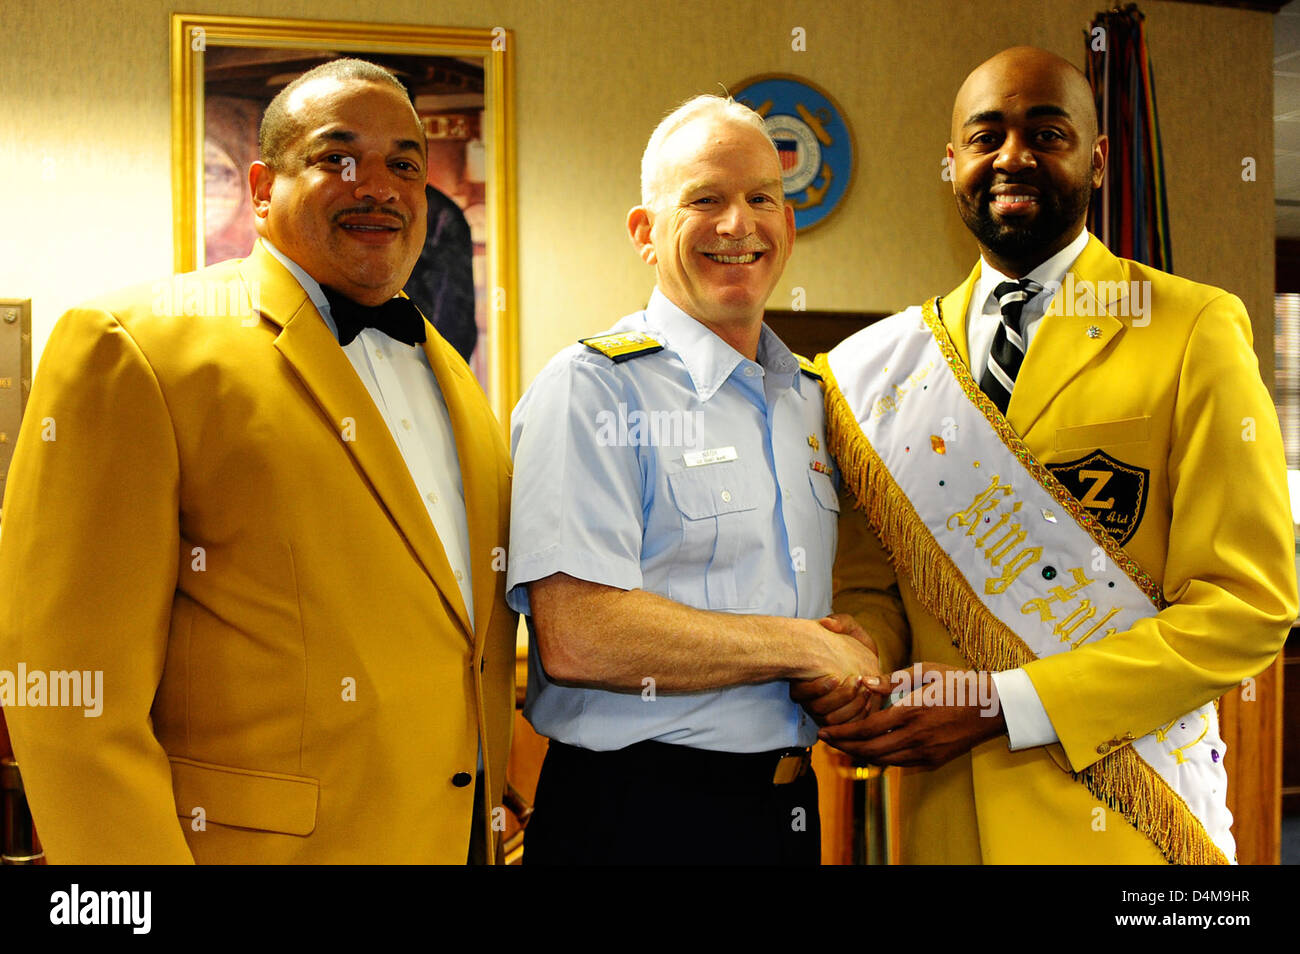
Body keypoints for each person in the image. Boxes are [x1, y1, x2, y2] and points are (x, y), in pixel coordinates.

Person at [0, 58, 517, 863]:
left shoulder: (454, 376)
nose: (376, 185)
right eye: (336, 156)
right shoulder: (133, 347)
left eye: (403, 165)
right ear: (261, 187)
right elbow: (72, 705)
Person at [801, 46, 1297, 864]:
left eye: (1047, 132)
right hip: (944, 822)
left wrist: (1004, 704)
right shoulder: (871, 371)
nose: (1012, 157)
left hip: (1126, 814)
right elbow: (872, 589)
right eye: (986, 135)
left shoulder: (1191, 328)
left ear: (1097, 160)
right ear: (951, 161)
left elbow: (1247, 606)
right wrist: (853, 667)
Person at [506, 95, 881, 865]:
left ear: (789, 225)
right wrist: (805, 648)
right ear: (645, 233)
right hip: (638, 817)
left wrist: (854, 648)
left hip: (786, 808)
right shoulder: (594, 389)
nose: (737, 224)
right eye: (705, 199)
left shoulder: (809, 398)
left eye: (761, 199)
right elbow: (581, 635)